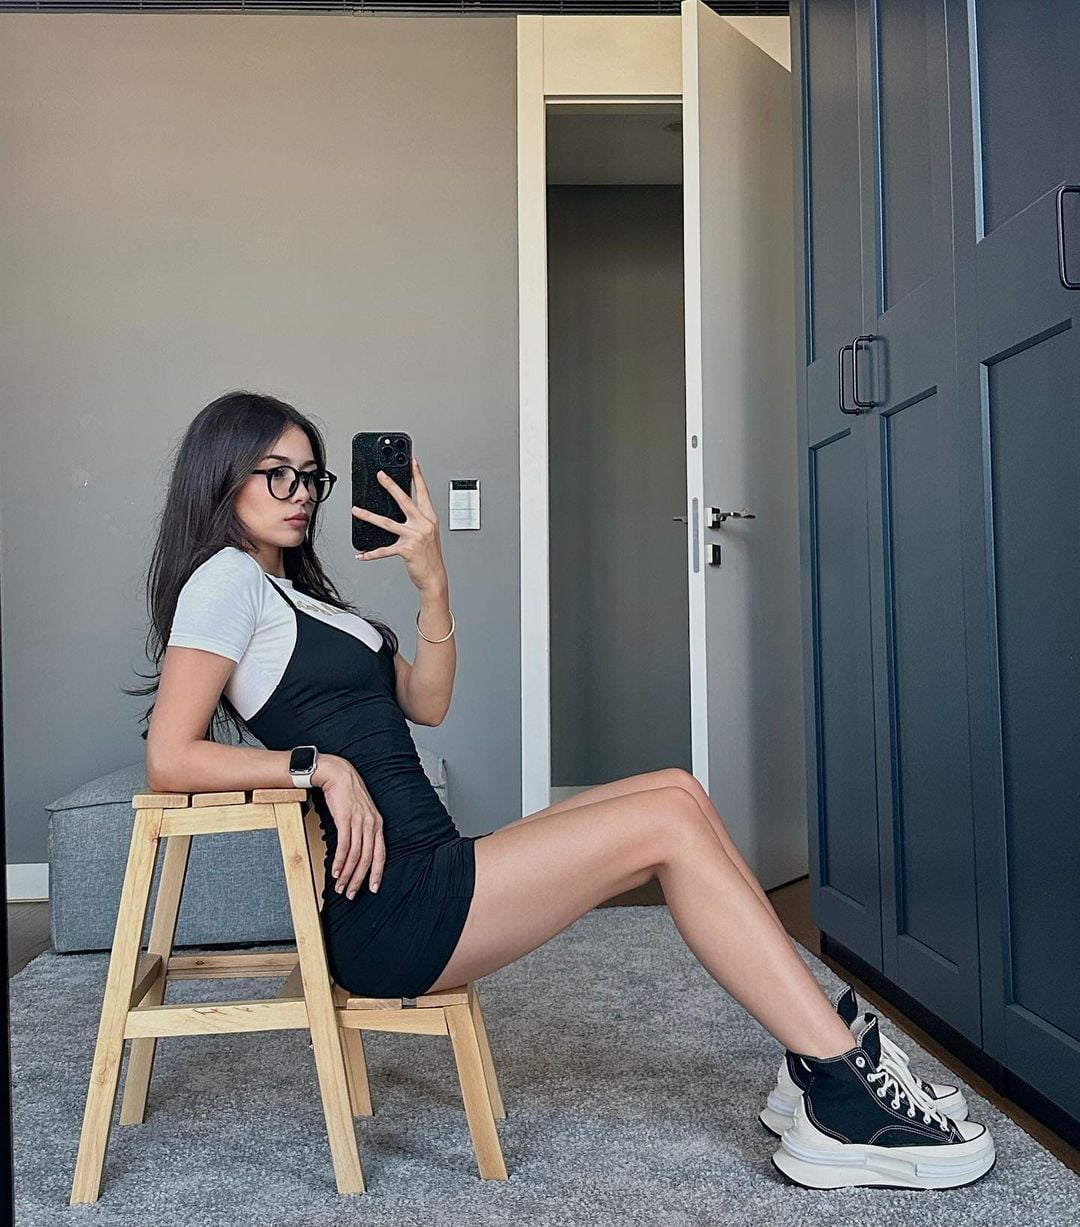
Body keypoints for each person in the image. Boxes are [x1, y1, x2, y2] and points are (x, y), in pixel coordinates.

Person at [133, 391, 994, 1190]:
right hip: (396, 906)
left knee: (677, 788)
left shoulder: (289, 591)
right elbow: (170, 756)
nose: (300, 494)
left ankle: (814, 1055)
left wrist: (433, 581)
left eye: (311, 476)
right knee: (666, 819)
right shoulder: (224, 579)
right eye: (276, 474)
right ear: (222, 475)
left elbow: (426, 701)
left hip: (433, 862)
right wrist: (321, 765)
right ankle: (843, 1094)